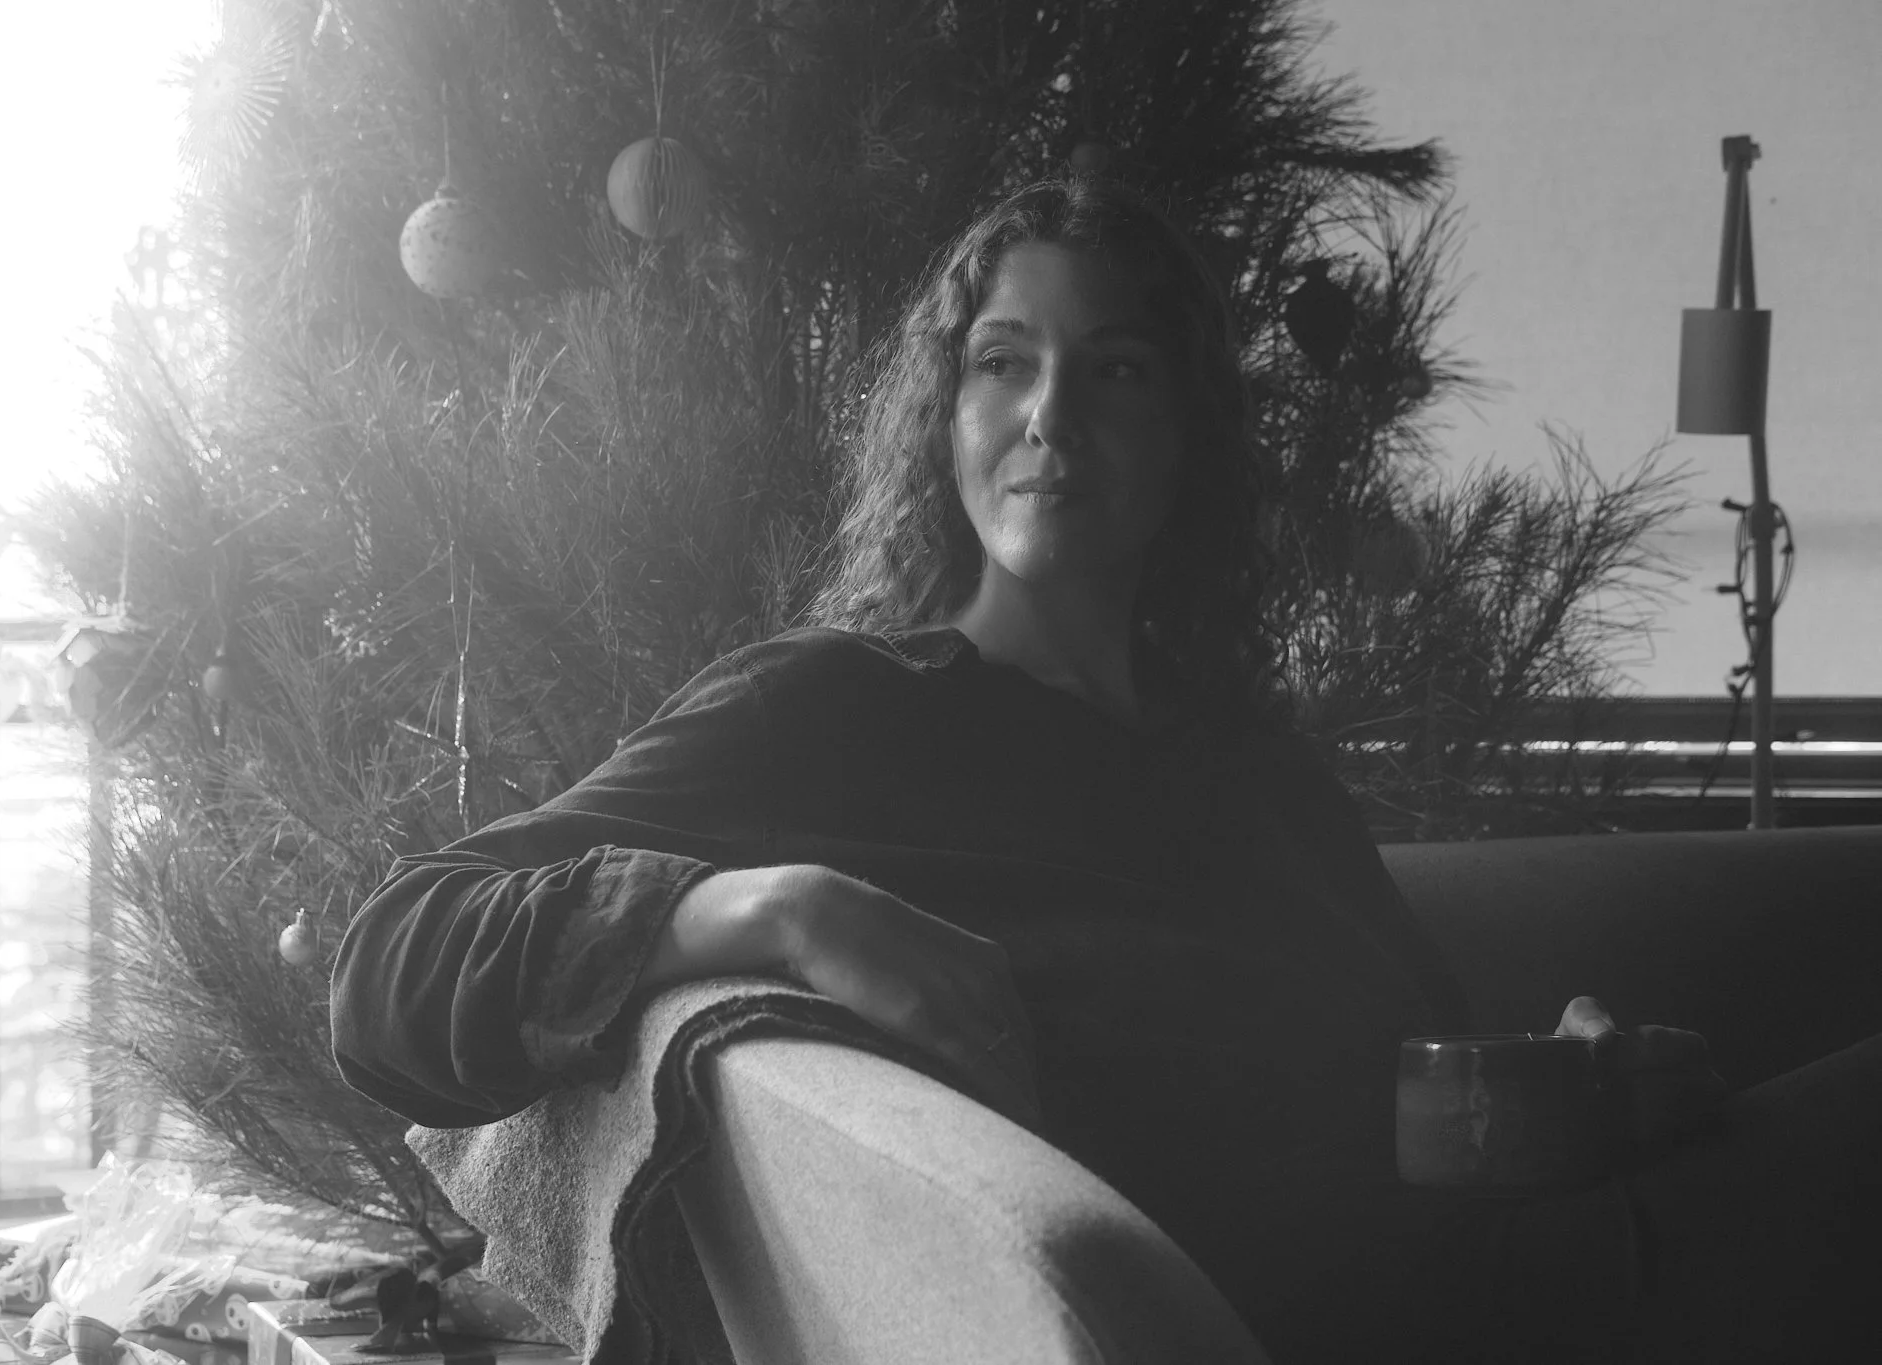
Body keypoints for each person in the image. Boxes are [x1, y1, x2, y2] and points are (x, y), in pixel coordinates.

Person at [331, 178, 1868, 1363]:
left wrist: (1584, 1078)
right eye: (1003, 363)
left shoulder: (1254, 762)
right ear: (947, 416)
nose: (1050, 417)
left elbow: (1419, 1075)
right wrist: (769, 906)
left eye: (1115, 370)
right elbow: (389, 966)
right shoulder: (839, 708)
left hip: (1539, 1276)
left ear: (1188, 430)